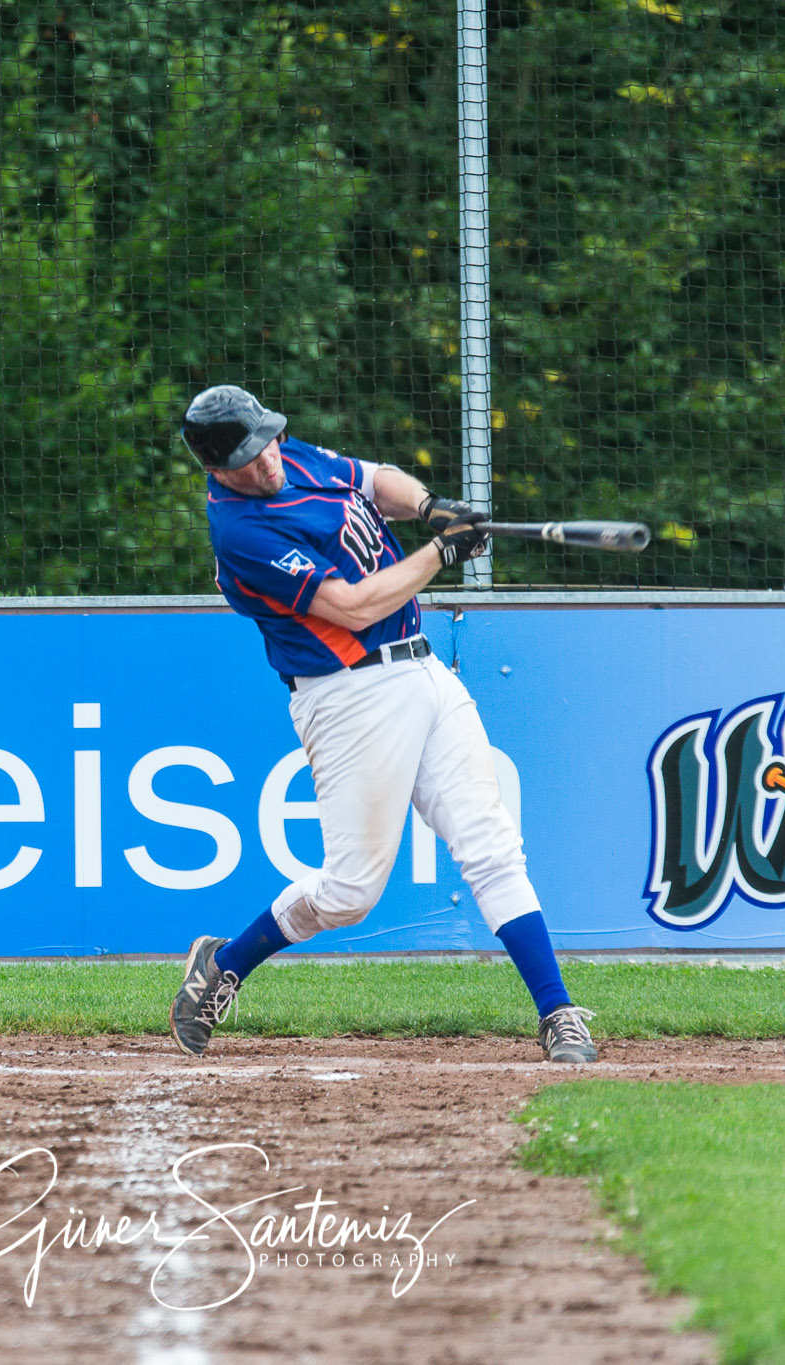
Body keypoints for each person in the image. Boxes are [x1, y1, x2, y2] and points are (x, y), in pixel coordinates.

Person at [168, 385, 596, 1063]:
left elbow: (374, 481)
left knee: (490, 845)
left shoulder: (289, 454)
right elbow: (353, 607)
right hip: (349, 695)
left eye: (267, 442)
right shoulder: (242, 532)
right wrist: (439, 554)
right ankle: (226, 962)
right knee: (349, 892)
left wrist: (430, 507)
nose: (267, 462)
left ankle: (558, 1011)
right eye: (248, 459)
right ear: (218, 471)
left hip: (424, 669)